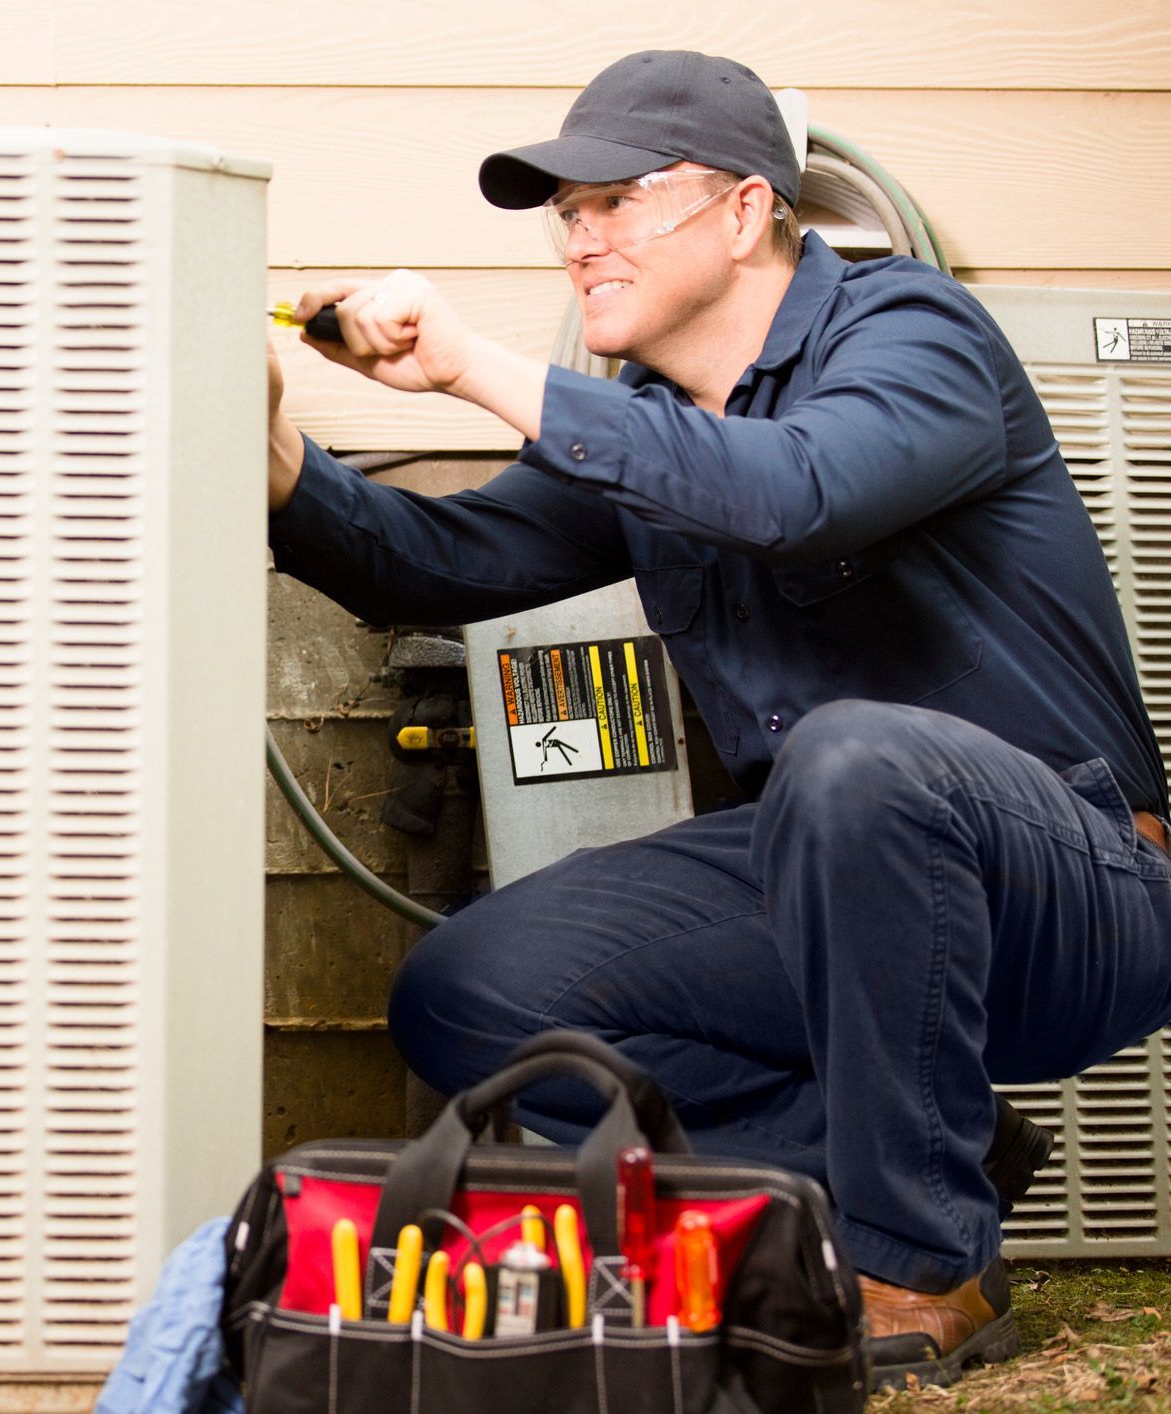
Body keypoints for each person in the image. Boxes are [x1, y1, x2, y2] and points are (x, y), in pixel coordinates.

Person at [265, 49, 1171, 1390]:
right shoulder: (641, 425)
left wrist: (470, 366)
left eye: (615, 201)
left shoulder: (913, 337)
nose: (581, 240)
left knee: (853, 754)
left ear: (742, 211)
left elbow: (793, 492)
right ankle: (915, 1156)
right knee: (469, 992)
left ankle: (920, 1267)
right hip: (817, 870)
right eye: (566, 214)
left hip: (1070, 887)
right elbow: (438, 565)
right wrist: (277, 454)